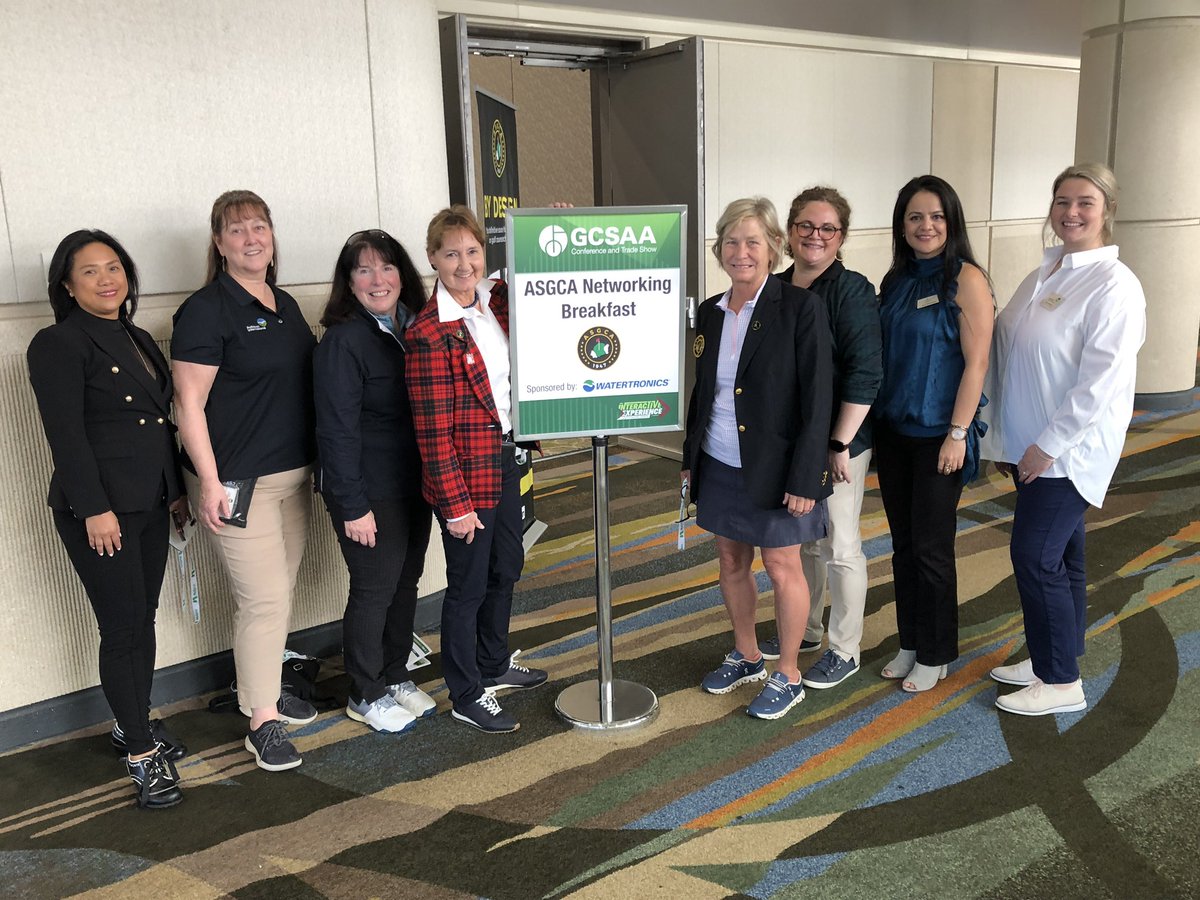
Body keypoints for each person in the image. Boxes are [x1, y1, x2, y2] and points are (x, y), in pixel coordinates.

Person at [28, 230, 190, 808]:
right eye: (91, 271)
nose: (107, 279)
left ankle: (132, 722)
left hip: (148, 501)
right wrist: (94, 508)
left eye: (114, 266)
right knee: (122, 628)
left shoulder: (139, 336)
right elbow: (66, 437)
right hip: (101, 512)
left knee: (140, 619)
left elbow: (155, 422)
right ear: (67, 286)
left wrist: (175, 492)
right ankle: (142, 757)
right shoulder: (58, 343)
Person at [983, 163, 1145, 716]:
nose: (1071, 213)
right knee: (1067, 557)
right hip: (1031, 448)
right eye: (1061, 201)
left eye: (1085, 203)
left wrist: (1047, 445)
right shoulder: (1047, 272)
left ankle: (1061, 682)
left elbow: (1100, 382)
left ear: (1107, 211)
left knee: (1034, 557)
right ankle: (1056, 652)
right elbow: (1010, 346)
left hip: (1065, 453)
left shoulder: (1114, 285)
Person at [171, 190, 318, 771]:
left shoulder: (282, 303)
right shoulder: (206, 310)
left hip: (293, 476)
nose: (251, 238)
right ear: (218, 243)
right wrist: (207, 481)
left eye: (260, 227)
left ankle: (261, 686)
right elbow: (189, 402)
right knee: (264, 601)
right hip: (237, 483)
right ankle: (262, 722)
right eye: (237, 230)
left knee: (278, 595)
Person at [683, 196, 834, 720]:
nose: (741, 252)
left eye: (752, 241)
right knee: (730, 559)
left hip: (780, 466)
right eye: (731, 241)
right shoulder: (710, 312)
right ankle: (748, 654)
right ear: (718, 248)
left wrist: (806, 477)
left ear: (774, 246)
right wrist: (690, 458)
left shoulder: (800, 308)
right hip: (721, 459)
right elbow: (704, 393)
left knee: (781, 564)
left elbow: (819, 402)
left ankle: (788, 672)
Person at [405, 205, 547, 734]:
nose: (463, 264)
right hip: (466, 478)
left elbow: (542, 279)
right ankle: (466, 691)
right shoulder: (428, 333)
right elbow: (432, 434)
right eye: (450, 254)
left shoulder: (494, 302)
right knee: (467, 586)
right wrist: (456, 506)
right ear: (432, 260)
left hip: (508, 458)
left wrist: (560, 225)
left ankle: (493, 663)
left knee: (506, 567)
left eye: (471, 251)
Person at [758, 187, 882, 692]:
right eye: (806, 226)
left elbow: (866, 372)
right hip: (794, 440)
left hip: (840, 441)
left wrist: (838, 444)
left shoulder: (851, 290)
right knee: (804, 540)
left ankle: (844, 649)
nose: (815, 236)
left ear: (841, 237)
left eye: (827, 229)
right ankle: (806, 628)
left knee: (842, 544)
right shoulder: (776, 285)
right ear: (789, 231)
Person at [874, 175, 993, 693]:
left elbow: (978, 361)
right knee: (903, 546)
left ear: (952, 222)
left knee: (931, 548)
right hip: (894, 431)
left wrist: (958, 432)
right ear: (902, 225)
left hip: (940, 435)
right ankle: (910, 641)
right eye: (916, 217)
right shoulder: (896, 279)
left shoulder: (965, 278)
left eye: (937, 216)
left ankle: (938, 651)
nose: (926, 226)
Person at [314, 230, 435, 733]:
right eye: (363, 270)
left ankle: (393, 673)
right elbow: (335, 429)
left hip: (415, 482)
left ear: (402, 275)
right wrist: (351, 504)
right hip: (368, 491)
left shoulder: (415, 329)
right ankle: (363, 692)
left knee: (406, 582)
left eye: (386, 268)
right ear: (349, 282)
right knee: (374, 589)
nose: (377, 279)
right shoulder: (344, 340)